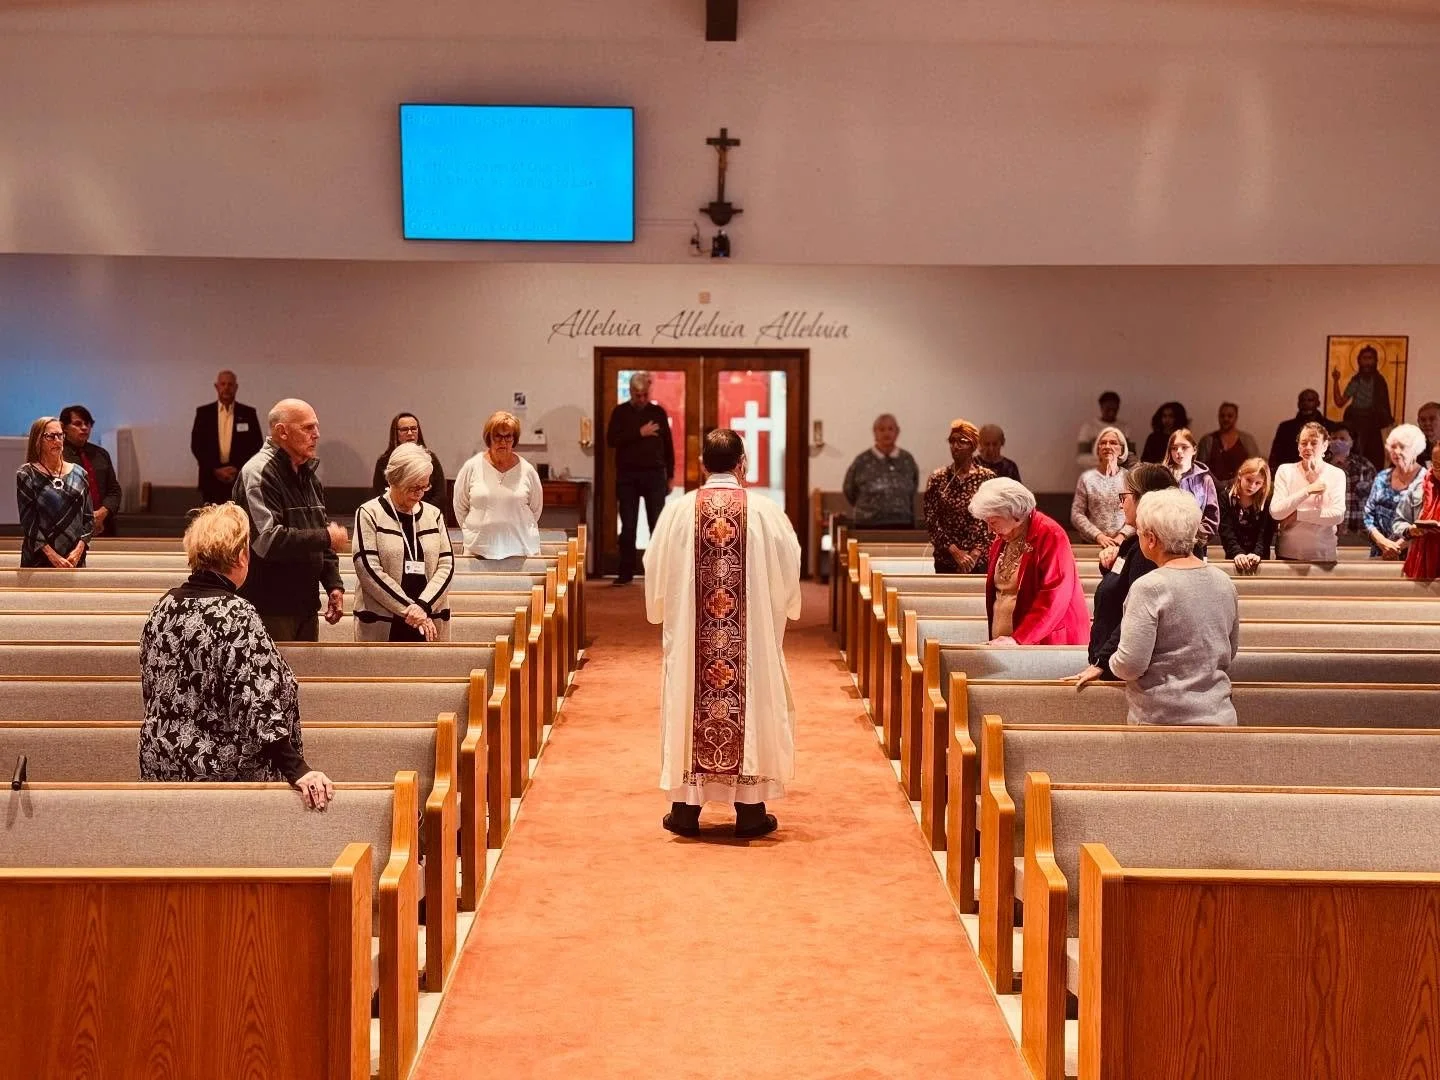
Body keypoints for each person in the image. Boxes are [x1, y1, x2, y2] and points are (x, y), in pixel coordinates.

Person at [644, 429, 802, 839]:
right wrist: (774, 609)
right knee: (751, 702)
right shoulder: (765, 511)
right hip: (746, 638)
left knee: (687, 703)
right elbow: (790, 564)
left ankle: (685, 810)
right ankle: (750, 811)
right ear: (741, 463)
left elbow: (654, 564)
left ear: (702, 465)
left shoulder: (679, 511)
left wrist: (663, 609)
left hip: (695, 636)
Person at [139, 503, 333, 809]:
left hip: (162, 764)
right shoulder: (235, 614)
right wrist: (298, 769)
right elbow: (257, 699)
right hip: (218, 776)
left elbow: (153, 690)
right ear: (242, 556)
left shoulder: (163, 607)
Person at [1106, 489, 1240, 726]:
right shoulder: (1223, 581)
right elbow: (1229, 651)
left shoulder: (1149, 587)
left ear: (1151, 539)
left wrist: (1111, 661)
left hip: (1162, 722)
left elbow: (1130, 665)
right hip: (1219, 717)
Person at [232, 398, 347, 642]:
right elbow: (268, 540)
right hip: (269, 608)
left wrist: (333, 584)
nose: (317, 434)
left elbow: (320, 538)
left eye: (316, 427)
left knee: (305, 679)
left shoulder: (309, 476)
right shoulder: (259, 473)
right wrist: (326, 536)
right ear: (281, 431)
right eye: (307, 428)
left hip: (305, 606)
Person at [1066, 463, 1178, 688]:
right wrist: (1108, 568)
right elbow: (1121, 588)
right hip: (1114, 662)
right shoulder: (1135, 544)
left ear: (1143, 499)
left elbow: (1134, 614)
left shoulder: (1149, 551)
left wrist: (1102, 662)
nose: (1120, 504)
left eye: (1124, 496)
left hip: (1125, 671)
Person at [969, 477, 1089, 646]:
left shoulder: (1051, 535)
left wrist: (1018, 639)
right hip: (1008, 645)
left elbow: (1054, 596)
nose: (989, 529)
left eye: (992, 521)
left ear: (1015, 515)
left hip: (1048, 643)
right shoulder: (1001, 540)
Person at [354, 443, 455, 641]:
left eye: (424, 486)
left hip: (430, 619)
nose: (419, 493)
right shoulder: (369, 513)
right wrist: (411, 611)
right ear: (395, 480)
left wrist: (424, 607)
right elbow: (368, 570)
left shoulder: (433, 515)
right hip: (384, 622)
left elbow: (446, 566)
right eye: (413, 487)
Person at [608, 371, 675, 585]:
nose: (642, 399)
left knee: (657, 525)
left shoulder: (658, 412)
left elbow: (668, 446)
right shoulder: (620, 412)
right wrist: (639, 433)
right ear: (630, 392)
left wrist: (670, 475)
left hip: (655, 476)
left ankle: (658, 573)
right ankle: (625, 572)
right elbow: (612, 439)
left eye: (645, 394)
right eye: (638, 395)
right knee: (628, 526)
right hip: (628, 477)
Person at [454, 411, 544, 567]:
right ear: (489, 438)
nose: (503, 442)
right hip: (478, 550)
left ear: (514, 439)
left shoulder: (527, 470)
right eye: (498, 436)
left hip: (520, 549)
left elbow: (536, 508)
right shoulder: (472, 467)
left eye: (508, 436)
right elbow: (460, 506)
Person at [15, 416, 93, 568]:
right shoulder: (27, 474)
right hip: (39, 558)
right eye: (50, 436)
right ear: (38, 441)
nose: (57, 440)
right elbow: (29, 523)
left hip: (74, 558)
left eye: (60, 435)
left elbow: (89, 519)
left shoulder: (80, 474)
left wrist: (78, 550)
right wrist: (52, 556)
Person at [923, 419, 995, 574]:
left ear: (973, 446)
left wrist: (976, 553)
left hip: (979, 559)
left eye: (962, 441)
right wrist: (955, 551)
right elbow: (931, 521)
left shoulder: (987, 478)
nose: (955, 446)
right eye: (952, 441)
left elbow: (994, 519)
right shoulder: (938, 478)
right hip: (946, 559)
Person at [1270, 421, 1346, 562]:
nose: (1308, 447)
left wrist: (1298, 515)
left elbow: (1337, 515)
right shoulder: (1285, 470)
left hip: (1323, 556)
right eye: (1303, 443)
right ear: (1298, 446)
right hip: (1288, 554)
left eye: (1314, 443)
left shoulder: (1336, 474)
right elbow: (1276, 512)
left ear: (1325, 446)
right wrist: (1307, 490)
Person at [190, 369, 264, 505]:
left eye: (230, 385)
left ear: (236, 387)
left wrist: (237, 468)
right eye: (223, 384)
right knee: (211, 523)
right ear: (216, 387)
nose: (226, 388)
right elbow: (197, 445)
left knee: (237, 523)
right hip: (211, 479)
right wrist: (215, 469)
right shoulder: (204, 413)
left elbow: (256, 445)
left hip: (238, 479)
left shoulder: (248, 413)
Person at [841, 413, 920, 527]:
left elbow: (913, 487)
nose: (886, 433)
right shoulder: (862, 460)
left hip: (902, 522)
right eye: (882, 429)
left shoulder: (907, 459)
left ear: (897, 432)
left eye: (890, 429)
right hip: (867, 523)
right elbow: (849, 489)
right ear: (875, 432)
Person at [370, 412, 448, 520]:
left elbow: (440, 494)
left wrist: (422, 512)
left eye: (414, 428)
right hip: (393, 517)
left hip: (426, 517)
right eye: (404, 429)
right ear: (395, 433)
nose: (410, 433)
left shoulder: (431, 459)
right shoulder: (384, 462)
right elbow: (379, 494)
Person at [1364, 424, 1426, 560]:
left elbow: (1426, 524)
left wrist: (1396, 548)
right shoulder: (1382, 476)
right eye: (1393, 446)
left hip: (1411, 555)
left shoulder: (1426, 480)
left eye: (1402, 447)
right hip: (1379, 552)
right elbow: (1368, 515)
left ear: (1415, 450)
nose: (1396, 451)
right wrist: (1382, 542)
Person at [59, 404, 122, 537]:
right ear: (63, 427)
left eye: (88, 423)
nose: (84, 427)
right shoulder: (57, 455)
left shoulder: (101, 453)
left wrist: (102, 513)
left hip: (104, 526)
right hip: (70, 530)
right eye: (77, 423)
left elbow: (114, 490)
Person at [1330, 344, 1392, 469]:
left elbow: (1384, 406)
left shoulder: (1380, 381)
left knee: (1374, 455)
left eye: (1370, 358)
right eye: (1364, 358)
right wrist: (1336, 381)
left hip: (1373, 422)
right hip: (1356, 421)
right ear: (1359, 361)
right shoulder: (1356, 380)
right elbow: (1340, 402)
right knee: (1355, 450)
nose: (1367, 362)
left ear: (1375, 361)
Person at [1071, 426, 1130, 550]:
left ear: (1121, 450)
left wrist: (1121, 536)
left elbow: (1137, 514)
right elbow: (1077, 514)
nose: (1107, 446)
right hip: (1093, 545)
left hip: (1123, 545)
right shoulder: (1086, 478)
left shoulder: (1129, 478)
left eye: (1113, 443)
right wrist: (1098, 536)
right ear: (1097, 450)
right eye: (1103, 443)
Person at [1166, 428, 1219, 556]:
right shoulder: (1163, 476)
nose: (1179, 452)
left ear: (1194, 449)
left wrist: (1198, 536)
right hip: (1167, 542)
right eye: (1174, 448)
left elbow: (1212, 514)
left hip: (1195, 543)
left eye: (1184, 447)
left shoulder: (1205, 479)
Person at [1218, 458, 1276, 574]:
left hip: (1259, 559)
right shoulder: (1226, 497)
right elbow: (1226, 530)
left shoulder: (1266, 500)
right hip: (1234, 557)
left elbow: (1265, 532)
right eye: (1248, 480)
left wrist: (1257, 553)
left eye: (1257, 483)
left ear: (1263, 483)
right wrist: (1237, 552)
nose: (1252, 486)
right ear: (1240, 475)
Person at [1395, 444, 1440, 581]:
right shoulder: (1418, 487)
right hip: (1421, 567)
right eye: (1437, 465)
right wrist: (1410, 530)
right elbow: (1399, 522)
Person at [1326, 423, 1376, 537]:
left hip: (1358, 529)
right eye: (1334, 438)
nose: (1337, 441)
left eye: (1342, 439)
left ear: (1352, 442)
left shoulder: (1365, 466)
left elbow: (1375, 500)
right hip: (1326, 530)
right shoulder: (1322, 466)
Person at [1268, 388, 1337, 470]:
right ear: (1298, 404)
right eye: (1302, 400)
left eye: (1310, 400)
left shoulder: (1330, 426)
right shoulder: (1285, 427)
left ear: (1318, 403)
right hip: (1291, 475)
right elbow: (1275, 456)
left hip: (1322, 474)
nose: (1306, 403)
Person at [1195, 402, 1260, 484]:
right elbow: (1200, 469)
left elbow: (1255, 467)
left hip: (1240, 488)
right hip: (1212, 489)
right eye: (1222, 416)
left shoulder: (1247, 440)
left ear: (1236, 418)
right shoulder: (1207, 440)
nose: (1226, 419)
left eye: (1230, 416)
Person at [1077, 391, 1135, 471]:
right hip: (1095, 475)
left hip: (1118, 475)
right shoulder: (1089, 427)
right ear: (1101, 407)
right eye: (1108, 409)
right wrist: (1104, 460)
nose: (1111, 413)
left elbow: (1132, 456)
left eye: (1114, 409)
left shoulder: (1125, 428)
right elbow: (1082, 457)